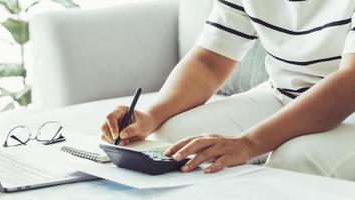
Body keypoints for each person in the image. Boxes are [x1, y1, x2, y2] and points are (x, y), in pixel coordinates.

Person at [100, 0, 355, 180]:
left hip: (349, 111)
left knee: (294, 162)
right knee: (173, 143)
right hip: (282, 94)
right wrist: (152, 116)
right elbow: (209, 61)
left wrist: (249, 143)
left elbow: (349, 84)